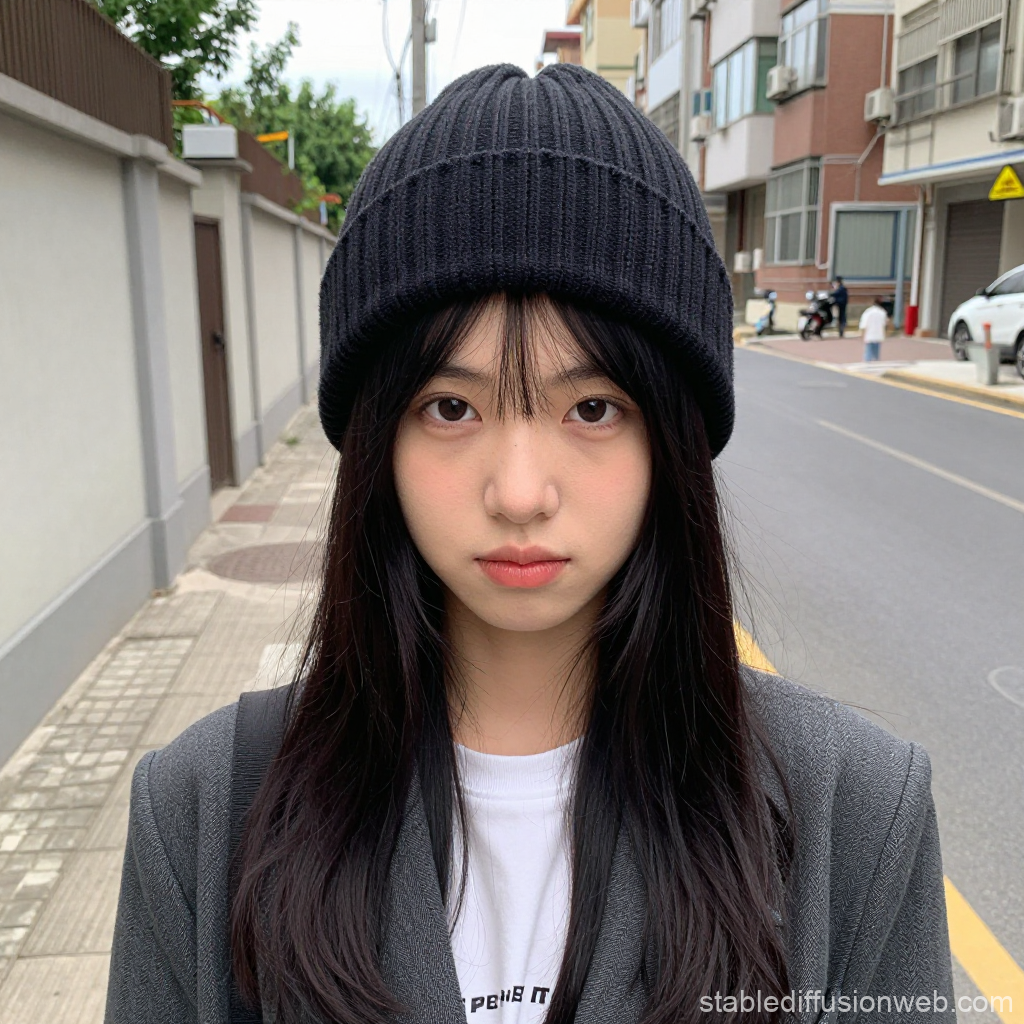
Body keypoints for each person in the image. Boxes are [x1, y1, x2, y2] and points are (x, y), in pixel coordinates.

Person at [105, 65, 953, 1024]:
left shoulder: (856, 813)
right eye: (451, 407)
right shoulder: (205, 812)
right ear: (377, 436)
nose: (518, 493)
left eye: (591, 408)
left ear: (669, 438)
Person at [860, 296, 890, 362]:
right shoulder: (882, 312)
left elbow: (863, 325)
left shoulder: (868, 312)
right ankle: (876, 362)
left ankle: (868, 363)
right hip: (879, 335)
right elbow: (885, 324)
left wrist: (862, 334)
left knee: (868, 352)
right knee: (876, 353)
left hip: (869, 335)